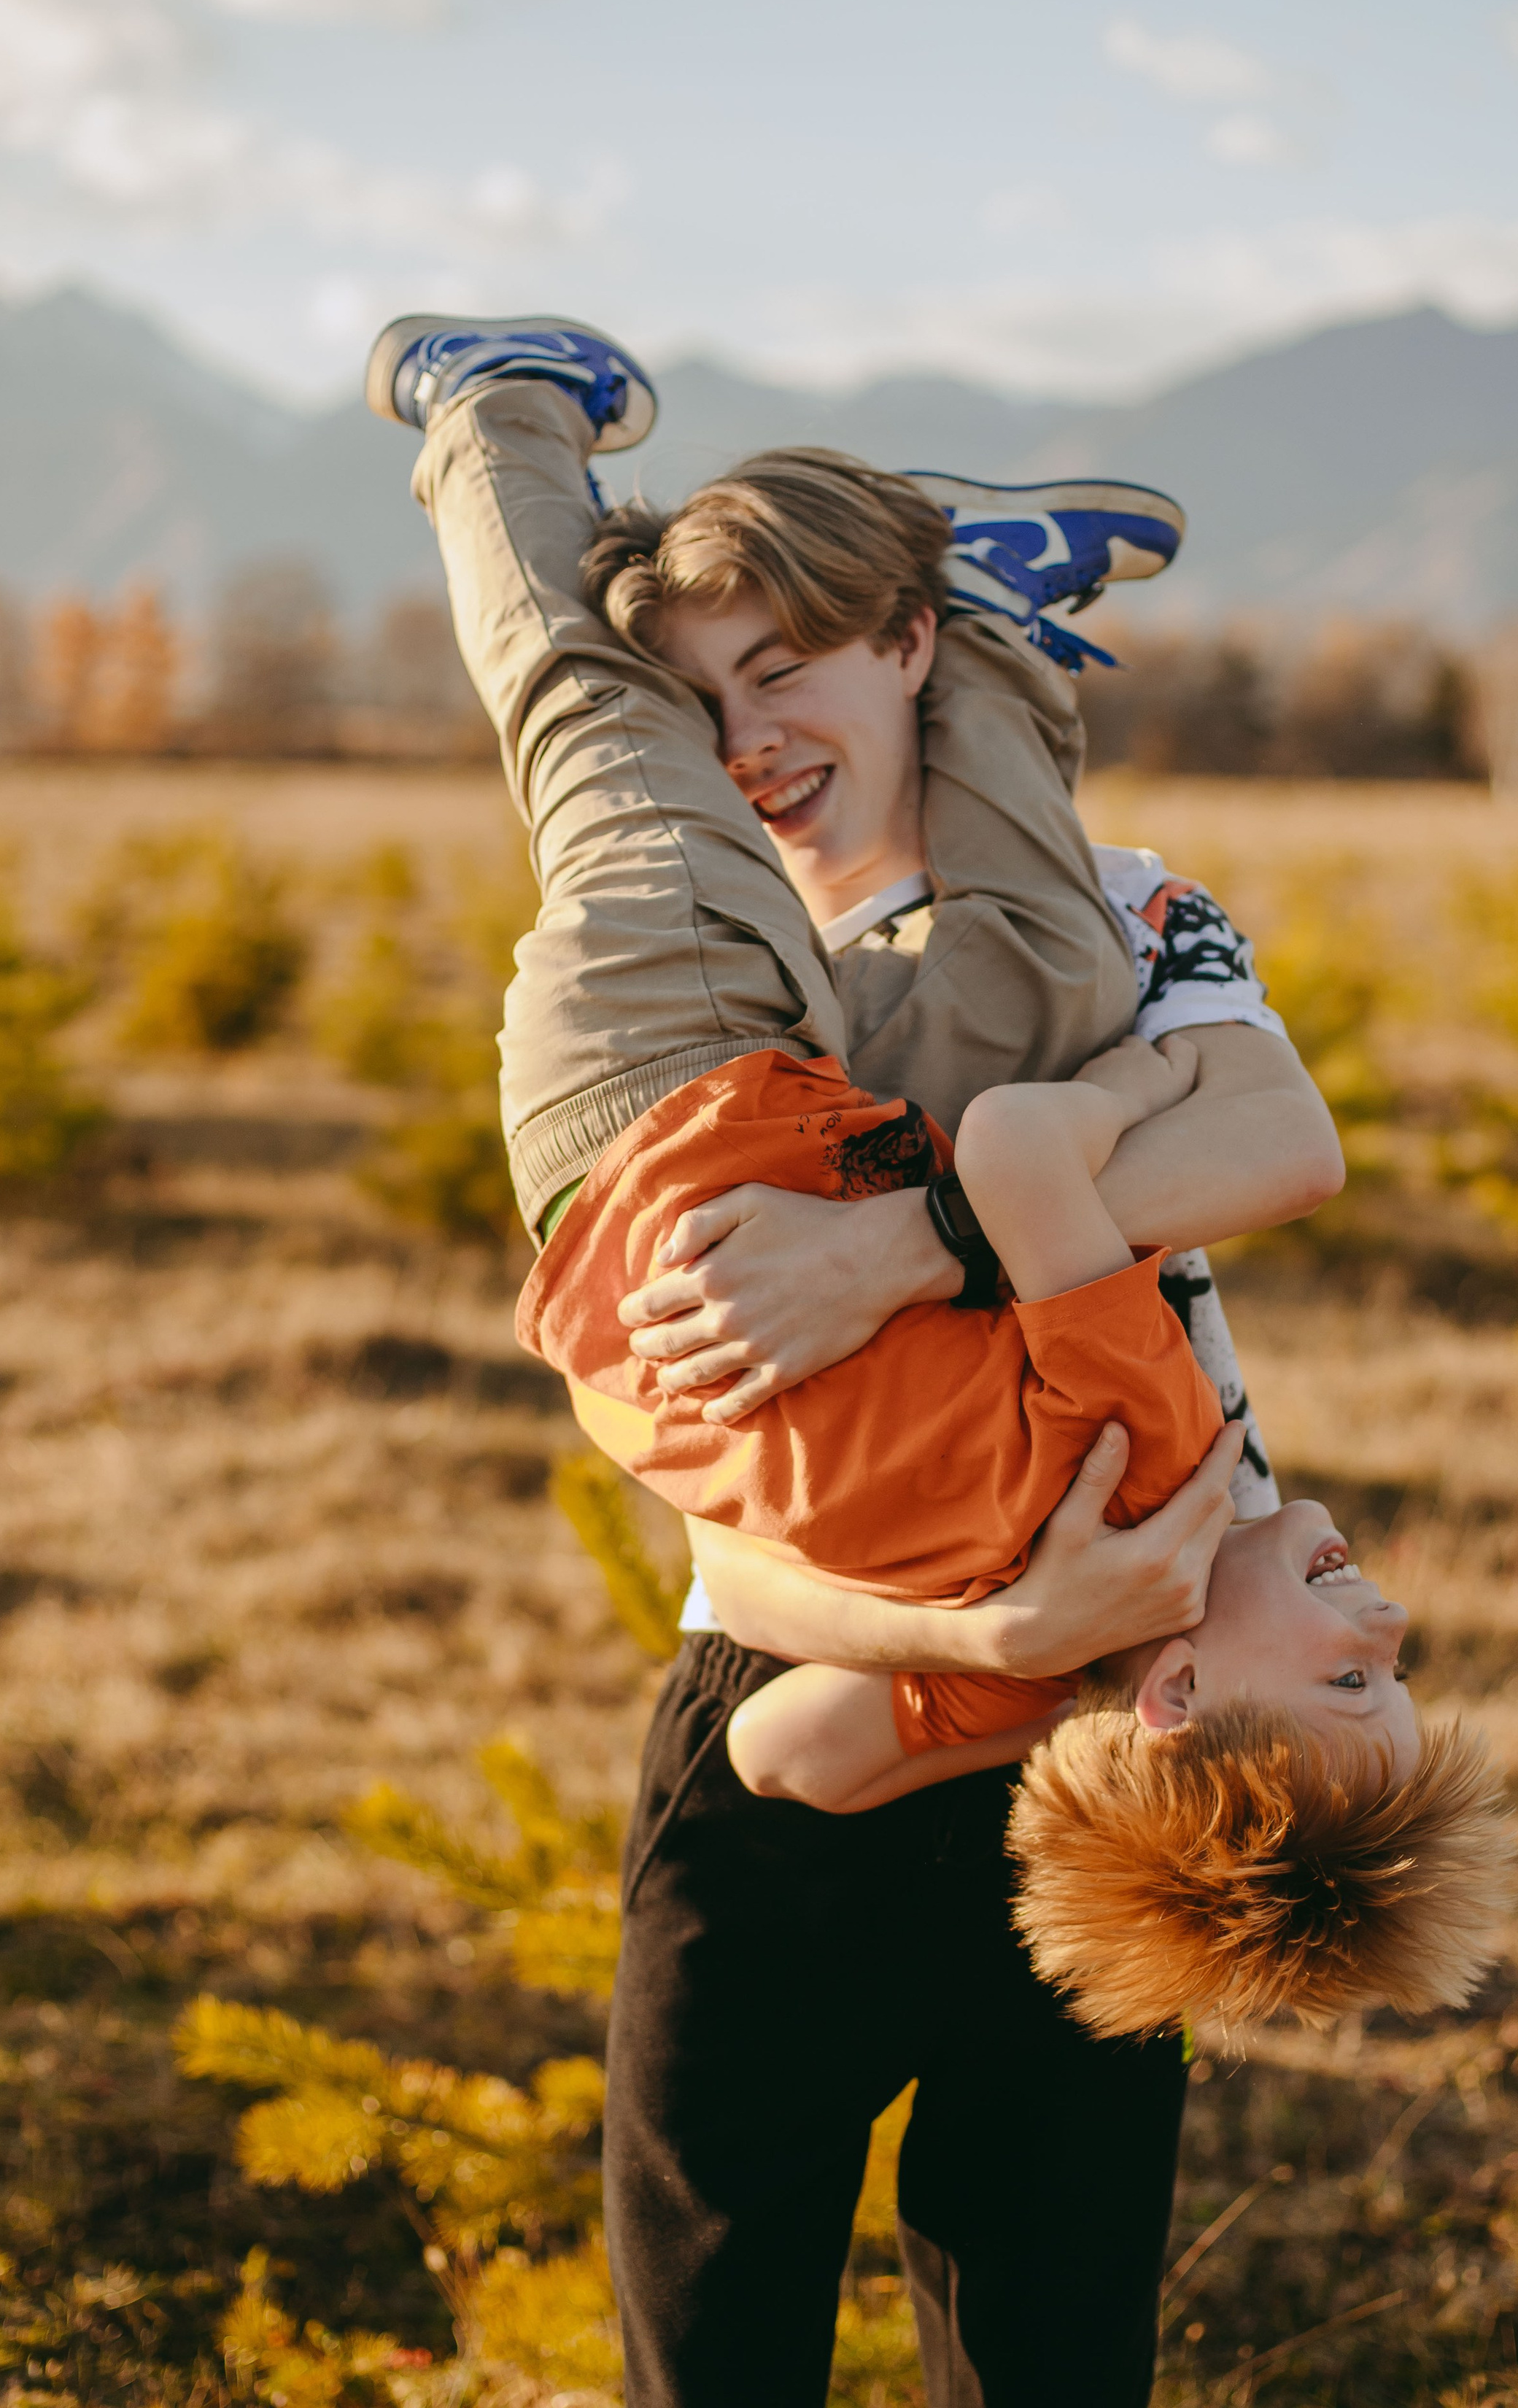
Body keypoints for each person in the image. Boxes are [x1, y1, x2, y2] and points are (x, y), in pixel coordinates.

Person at [365, 308, 1342, 2407]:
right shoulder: (726, 932)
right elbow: (703, 1484)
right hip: (810, 1679)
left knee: (1053, 2342)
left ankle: (866, 562)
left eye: (784, 671)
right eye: (700, 700)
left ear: (905, 649)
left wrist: (893, 1246)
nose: (743, 745)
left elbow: (1280, 1139)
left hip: (1106, 1751)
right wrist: (983, 1610)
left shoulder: (1123, 902)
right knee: (712, 2337)